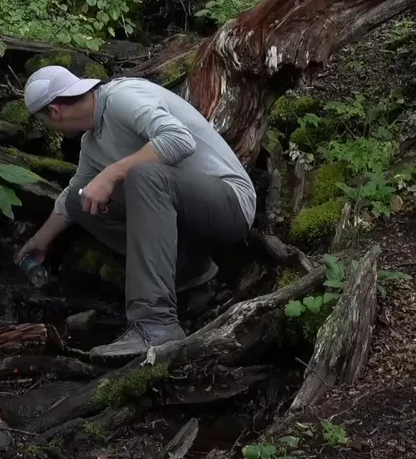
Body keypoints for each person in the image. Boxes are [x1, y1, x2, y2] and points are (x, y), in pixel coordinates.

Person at [14, 66, 256, 359]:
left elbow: (179, 139)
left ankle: (155, 325)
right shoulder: (92, 142)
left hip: (231, 203)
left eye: (44, 122)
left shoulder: (121, 97)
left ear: (54, 112)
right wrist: (40, 240)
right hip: (189, 224)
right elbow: (71, 197)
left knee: (144, 175)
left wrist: (113, 172)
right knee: (81, 198)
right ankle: (188, 269)